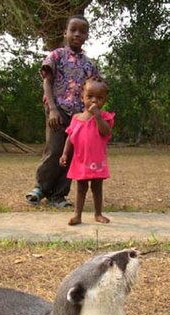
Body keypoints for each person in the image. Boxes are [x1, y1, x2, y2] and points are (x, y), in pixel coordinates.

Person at [26, 15, 99, 208]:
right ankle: (40, 188)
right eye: (73, 30)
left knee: (72, 154)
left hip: (79, 116)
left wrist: (90, 116)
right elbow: (47, 82)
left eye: (82, 31)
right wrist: (52, 109)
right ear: (65, 33)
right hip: (57, 111)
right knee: (55, 149)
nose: (77, 34)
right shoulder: (56, 56)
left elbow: (93, 92)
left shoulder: (90, 65)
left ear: (87, 36)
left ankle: (58, 195)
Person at [59, 76, 114, 225]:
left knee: (97, 188)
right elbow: (70, 137)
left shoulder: (104, 117)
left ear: (105, 100)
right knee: (81, 188)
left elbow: (105, 132)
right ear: (82, 97)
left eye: (99, 98)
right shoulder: (76, 118)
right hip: (80, 160)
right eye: (90, 96)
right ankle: (77, 215)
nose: (94, 101)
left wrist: (97, 116)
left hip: (97, 161)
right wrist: (64, 153)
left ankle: (98, 214)